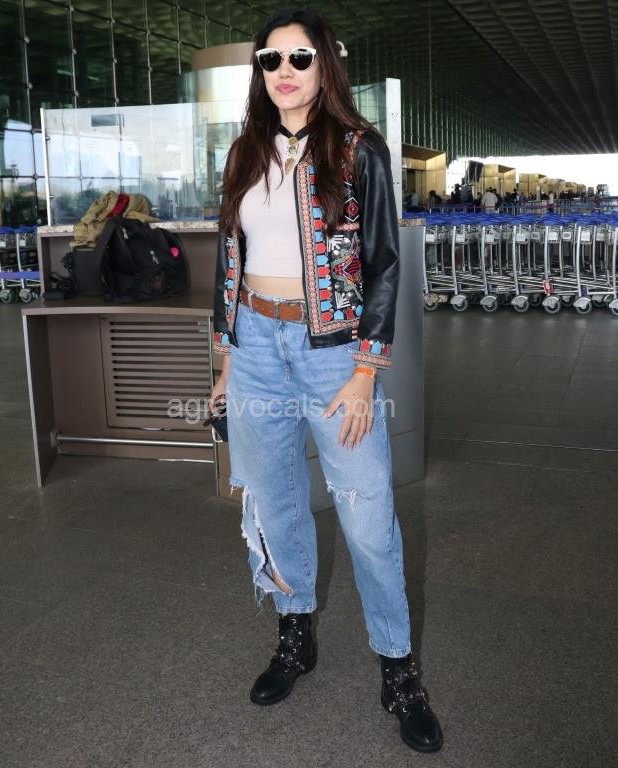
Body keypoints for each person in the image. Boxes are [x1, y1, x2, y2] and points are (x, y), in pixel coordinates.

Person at [211, 7, 443, 754]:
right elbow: (228, 258)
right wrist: (225, 363)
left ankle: (398, 669)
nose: (284, 72)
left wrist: (366, 370)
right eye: (270, 60)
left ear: (324, 66)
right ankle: (295, 633)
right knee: (275, 502)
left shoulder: (357, 149)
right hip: (255, 344)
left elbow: (384, 263)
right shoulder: (244, 151)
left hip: (335, 354)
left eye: (300, 58)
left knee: (367, 515)